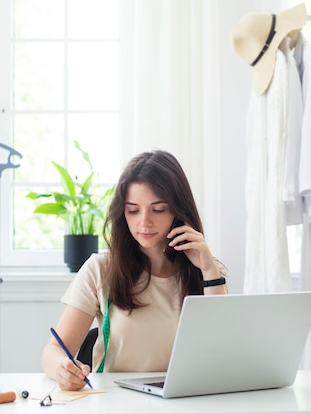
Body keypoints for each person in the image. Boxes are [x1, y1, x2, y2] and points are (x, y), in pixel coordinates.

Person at [41, 150, 227, 391]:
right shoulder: (100, 269)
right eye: (133, 210)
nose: (144, 222)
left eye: (158, 209)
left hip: (183, 401)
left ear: (177, 211)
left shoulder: (206, 271)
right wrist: (62, 368)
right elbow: (54, 350)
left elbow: (221, 352)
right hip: (115, 402)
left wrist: (209, 271)